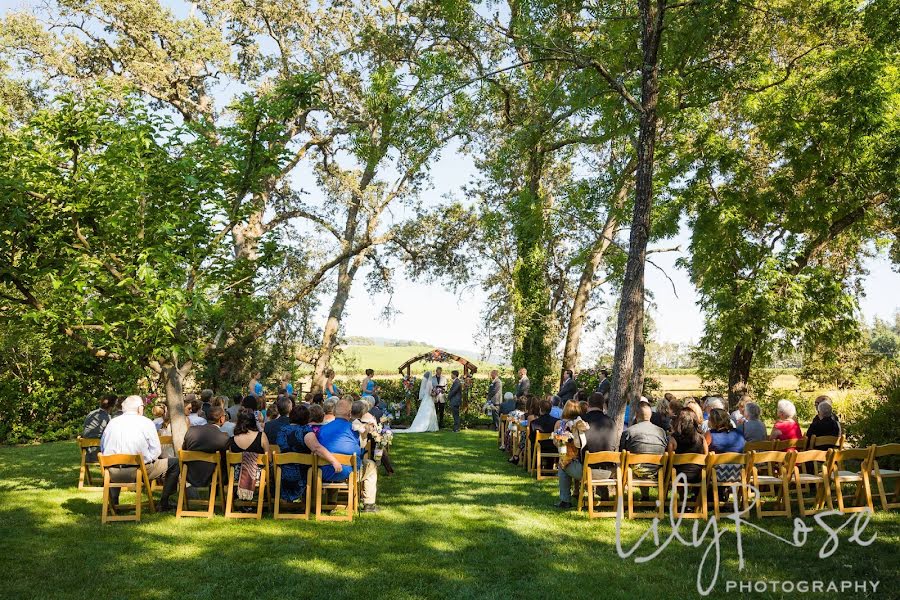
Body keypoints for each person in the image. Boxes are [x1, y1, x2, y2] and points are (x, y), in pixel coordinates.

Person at [100, 395, 180, 510]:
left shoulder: (112, 423)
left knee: (115, 461)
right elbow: (156, 450)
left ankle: (114, 503)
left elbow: (103, 447)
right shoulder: (146, 423)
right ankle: (164, 502)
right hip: (138, 470)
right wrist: (149, 460)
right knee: (175, 463)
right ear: (139, 408)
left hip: (112, 473)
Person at [317, 398, 380, 512]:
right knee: (371, 465)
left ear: (334, 412)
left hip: (324, 472)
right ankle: (369, 504)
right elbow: (361, 448)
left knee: (335, 461)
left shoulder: (322, 429)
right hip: (348, 473)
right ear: (350, 413)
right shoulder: (354, 429)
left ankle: (332, 502)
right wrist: (364, 434)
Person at [557, 393, 616, 509]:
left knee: (563, 463)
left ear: (588, 404)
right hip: (609, 471)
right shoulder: (612, 422)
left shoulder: (580, 422)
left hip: (587, 471)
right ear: (603, 405)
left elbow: (573, 446)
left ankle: (565, 500)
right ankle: (602, 496)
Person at [275, 404, 343, 502]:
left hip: (282, 473)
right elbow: (317, 448)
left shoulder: (282, 430)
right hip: (303, 475)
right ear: (306, 417)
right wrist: (334, 461)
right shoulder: (305, 432)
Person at [620, 402, 668, 503]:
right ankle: (645, 496)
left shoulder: (629, 432)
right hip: (657, 471)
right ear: (650, 415)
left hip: (636, 471)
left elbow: (622, 452)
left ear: (636, 416)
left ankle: (632, 498)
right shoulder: (661, 432)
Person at [182, 406, 229, 492]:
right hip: (212, 476)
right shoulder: (223, 438)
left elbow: (184, 451)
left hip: (190, 474)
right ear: (221, 419)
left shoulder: (191, 431)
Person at [229, 408, 270, 502]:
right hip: (257, 475)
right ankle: (266, 499)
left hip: (237, 476)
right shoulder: (261, 436)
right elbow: (269, 459)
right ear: (253, 421)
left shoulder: (232, 439)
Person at [667, 409, 708, 492]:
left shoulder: (673, 439)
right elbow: (707, 458)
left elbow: (669, 459)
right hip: (698, 476)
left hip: (678, 476)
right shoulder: (702, 439)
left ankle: (680, 497)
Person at [706, 408, 745, 494]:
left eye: (709, 419)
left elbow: (703, 453)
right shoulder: (739, 434)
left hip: (716, 474)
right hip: (738, 472)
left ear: (714, 421)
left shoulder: (710, 435)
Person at [82, 394, 116, 461]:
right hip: (98, 454)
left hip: (87, 454)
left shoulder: (91, 413)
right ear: (112, 406)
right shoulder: (106, 417)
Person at [530, 397, 560, 463]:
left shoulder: (534, 422)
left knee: (533, 444)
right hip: (553, 447)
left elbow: (531, 438)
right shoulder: (556, 421)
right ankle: (550, 467)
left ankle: (535, 464)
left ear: (540, 409)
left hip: (539, 447)